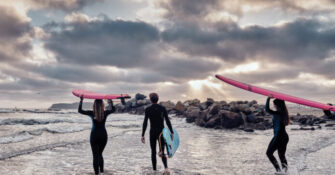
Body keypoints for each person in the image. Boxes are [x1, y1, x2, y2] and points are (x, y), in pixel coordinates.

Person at [78, 96, 115, 175]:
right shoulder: (105, 113)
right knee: (100, 154)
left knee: (95, 156)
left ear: (94, 104)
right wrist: (111, 102)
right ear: (102, 104)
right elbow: (113, 110)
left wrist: (81, 101)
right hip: (103, 136)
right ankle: (102, 172)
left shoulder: (92, 113)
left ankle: (96, 174)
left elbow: (80, 110)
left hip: (94, 136)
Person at [141, 93, 174, 174]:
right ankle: (166, 168)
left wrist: (142, 134)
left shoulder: (148, 109)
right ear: (157, 99)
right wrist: (171, 131)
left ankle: (154, 170)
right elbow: (167, 121)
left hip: (152, 133)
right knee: (162, 150)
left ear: (151, 100)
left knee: (153, 151)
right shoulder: (162, 108)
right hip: (161, 133)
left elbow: (145, 123)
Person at [265, 95, 290, 173]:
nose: (274, 106)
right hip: (285, 137)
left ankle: (279, 171)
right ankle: (285, 172)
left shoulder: (277, 114)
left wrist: (268, 98)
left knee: (269, 153)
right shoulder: (284, 114)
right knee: (281, 156)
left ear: (278, 105)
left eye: (274, 105)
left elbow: (267, 109)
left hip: (279, 136)